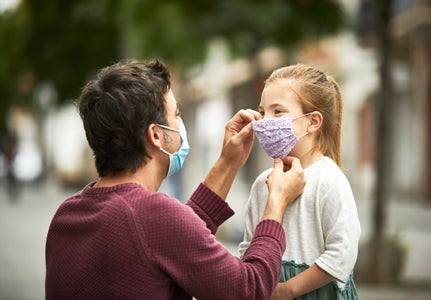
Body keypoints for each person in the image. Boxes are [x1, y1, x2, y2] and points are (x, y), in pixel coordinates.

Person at [45, 59, 307, 300]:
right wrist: (276, 204)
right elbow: (249, 289)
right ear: (157, 135)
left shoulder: (67, 215)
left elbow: (174, 240)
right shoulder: (152, 216)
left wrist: (228, 163)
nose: (181, 124)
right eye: (177, 115)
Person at [239, 64, 361, 299]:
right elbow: (247, 248)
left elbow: (342, 253)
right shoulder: (262, 183)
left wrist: (288, 290)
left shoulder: (329, 180)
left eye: (278, 112)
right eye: (262, 112)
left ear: (313, 121)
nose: (265, 121)